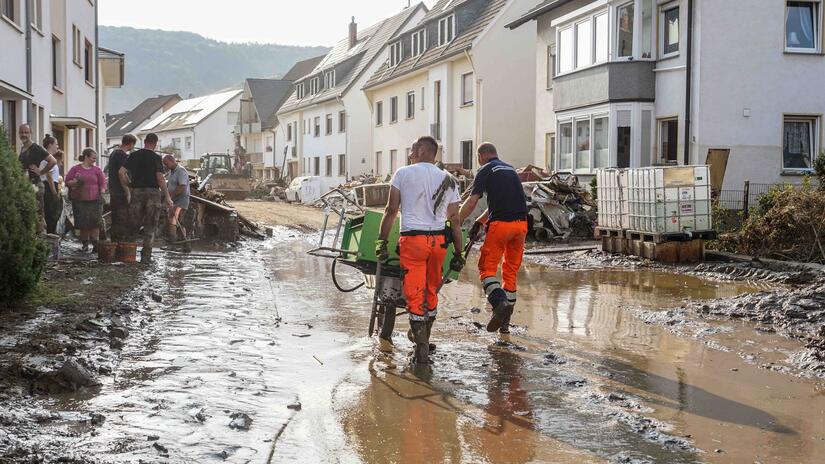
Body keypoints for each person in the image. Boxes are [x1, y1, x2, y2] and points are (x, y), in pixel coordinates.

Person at [375, 136, 463, 365]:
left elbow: (391, 209)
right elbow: (455, 220)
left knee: (414, 293)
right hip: (438, 244)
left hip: (413, 242)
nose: (410, 153)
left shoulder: (403, 173)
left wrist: (381, 242)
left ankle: (421, 348)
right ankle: (422, 336)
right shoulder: (449, 179)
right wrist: (459, 253)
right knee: (431, 289)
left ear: (423, 150)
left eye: (412, 149)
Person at [459, 142, 528, 334]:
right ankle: (504, 323)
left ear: (480, 156)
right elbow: (500, 203)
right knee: (510, 271)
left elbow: (472, 201)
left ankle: (499, 304)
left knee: (486, 268)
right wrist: (480, 223)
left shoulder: (485, 170)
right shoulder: (510, 170)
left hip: (501, 225)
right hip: (521, 225)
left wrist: (456, 221)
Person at [119, 133, 173, 263]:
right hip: (152, 194)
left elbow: (121, 172)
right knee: (150, 226)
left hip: (136, 193)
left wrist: (129, 185)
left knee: (133, 225)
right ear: (155, 143)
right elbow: (160, 178)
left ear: (145, 142)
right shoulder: (156, 157)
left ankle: (129, 256)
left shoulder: (133, 155)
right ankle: (146, 258)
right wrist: (167, 196)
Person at [18, 124, 57, 234]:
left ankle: (41, 241)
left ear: (31, 133)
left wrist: (41, 172)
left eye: (26, 132)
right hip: (26, 186)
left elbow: (53, 161)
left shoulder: (35, 147)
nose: (23, 134)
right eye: (21, 132)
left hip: (35, 186)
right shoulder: (23, 148)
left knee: (38, 215)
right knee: (29, 214)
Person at [66, 148, 106, 252]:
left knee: (95, 223)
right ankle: (85, 244)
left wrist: (102, 191)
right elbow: (67, 182)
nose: (94, 160)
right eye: (93, 158)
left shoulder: (97, 170)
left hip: (95, 200)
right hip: (79, 200)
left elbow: (102, 183)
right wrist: (75, 182)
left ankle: (95, 244)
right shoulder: (75, 169)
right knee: (83, 223)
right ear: (86, 157)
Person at [108, 134, 136, 243]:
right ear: (131, 144)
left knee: (115, 219)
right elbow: (121, 174)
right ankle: (119, 244)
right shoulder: (122, 155)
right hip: (120, 192)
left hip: (113, 191)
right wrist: (127, 191)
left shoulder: (114, 153)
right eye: (133, 145)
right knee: (122, 219)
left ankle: (114, 243)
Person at [162, 154, 190, 241]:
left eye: (166, 164)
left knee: (173, 219)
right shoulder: (171, 172)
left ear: (171, 161)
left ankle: (173, 240)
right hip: (174, 199)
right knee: (177, 220)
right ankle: (181, 240)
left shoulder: (180, 171)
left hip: (181, 200)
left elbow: (182, 187)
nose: (165, 166)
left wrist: (170, 196)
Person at [40, 136, 62, 234]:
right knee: (51, 215)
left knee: (52, 215)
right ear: (50, 145)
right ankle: (50, 237)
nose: (57, 146)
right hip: (49, 188)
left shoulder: (49, 156)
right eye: (56, 144)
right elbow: (49, 176)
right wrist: (54, 193)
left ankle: (50, 236)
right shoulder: (47, 157)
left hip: (51, 186)